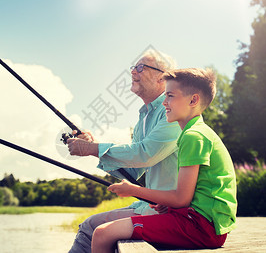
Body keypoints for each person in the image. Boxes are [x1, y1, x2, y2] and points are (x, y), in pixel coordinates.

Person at [91, 68, 237, 253]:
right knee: (106, 232)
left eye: (170, 96)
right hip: (200, 221)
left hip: (201, 227)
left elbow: (181, 199)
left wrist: (134, 190)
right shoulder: (197, 132)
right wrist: (167, 204)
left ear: (193, 100)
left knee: (102, 233)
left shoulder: (193, 136)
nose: (164, 103)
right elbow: (188, 197)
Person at [66, 50, 182, 253]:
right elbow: (134, 172)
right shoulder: (143, 119)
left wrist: (95, 149)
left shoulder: (172, 111)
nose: (133, 72)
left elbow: (146, 153)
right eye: (133, 68)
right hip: (151, 206)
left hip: (170, 210)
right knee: (89, 226)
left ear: (161, 77)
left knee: (90, 228)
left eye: (140, 67)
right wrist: (94, 149)